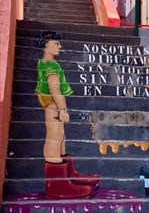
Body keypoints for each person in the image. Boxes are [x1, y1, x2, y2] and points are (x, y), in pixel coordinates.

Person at [35, 31, 100, 199]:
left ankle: (67, 175)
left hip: (51, 104)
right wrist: (63, 109)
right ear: (46, 44)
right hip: (53, 105)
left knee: (60, 137)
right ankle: (57, 185)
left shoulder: (43, 63)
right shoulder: (52, 66)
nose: (59, 47)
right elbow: (55, 89)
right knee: (54, 137)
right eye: (56, 43)